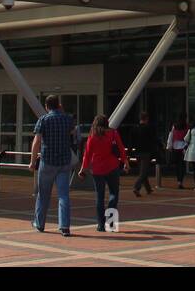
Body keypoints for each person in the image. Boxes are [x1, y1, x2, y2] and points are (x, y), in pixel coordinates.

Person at [30, 94, 78, 236]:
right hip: (64, 162)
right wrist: (62, 112)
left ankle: (39, 223)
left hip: (47, 161)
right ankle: (64, 226)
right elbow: (73, 133)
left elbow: (36, 142)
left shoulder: (43, 120)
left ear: (46, 106)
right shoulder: (67, 119)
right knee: (63, 195)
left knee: (43, 194)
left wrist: (32, 162)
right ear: (59, 105)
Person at [78, 114, 129, 233]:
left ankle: (100, 225)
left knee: (99, 196)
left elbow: (87, 154)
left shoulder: (93, 135)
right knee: (114, 194)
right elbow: (121, 148)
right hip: (112, 167)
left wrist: (82, 169)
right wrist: (125, 162)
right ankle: (111, 223)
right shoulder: (113, 133)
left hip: (97, 169)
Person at [130, 112, 161, 197]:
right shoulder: (149, 128)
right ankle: (136, 187)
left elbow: (132, 141)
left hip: (137, 152)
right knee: (143, 172)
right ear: (146, 118)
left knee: (143, 171)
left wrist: (132, 150)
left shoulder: (135, 128)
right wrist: (160, 145)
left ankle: (148, 188)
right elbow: (154, 139)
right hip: (146, 152)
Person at [166, 113, 189, 189]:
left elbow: (171, 136)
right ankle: (180, 182)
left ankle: (178, 180)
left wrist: (169, 146)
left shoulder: (174, 126)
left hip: (175, 147)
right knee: (182, 166)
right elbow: (188, 138)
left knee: (177, 166)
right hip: (183, 148)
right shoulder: (187, 126)